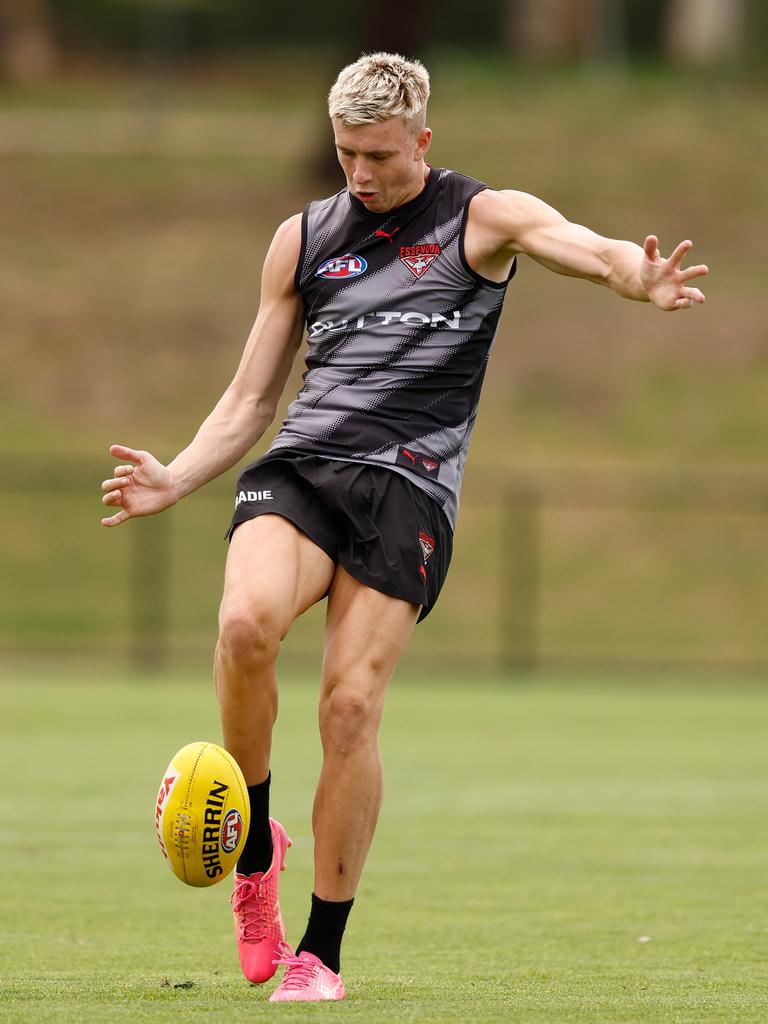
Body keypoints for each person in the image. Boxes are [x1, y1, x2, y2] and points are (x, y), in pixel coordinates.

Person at [101, 52, 708, 1002]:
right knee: (243, 624)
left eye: (381, 155)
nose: (362, 173)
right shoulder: (302, 238)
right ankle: (255, 849)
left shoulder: (480, 218)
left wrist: (638, 277)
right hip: (304, 467)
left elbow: (580, 245)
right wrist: (175, 475)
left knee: (348, 708)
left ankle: (320, 953)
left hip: (410, 491)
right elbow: (253, 395)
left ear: (422, 141)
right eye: (347, 153)